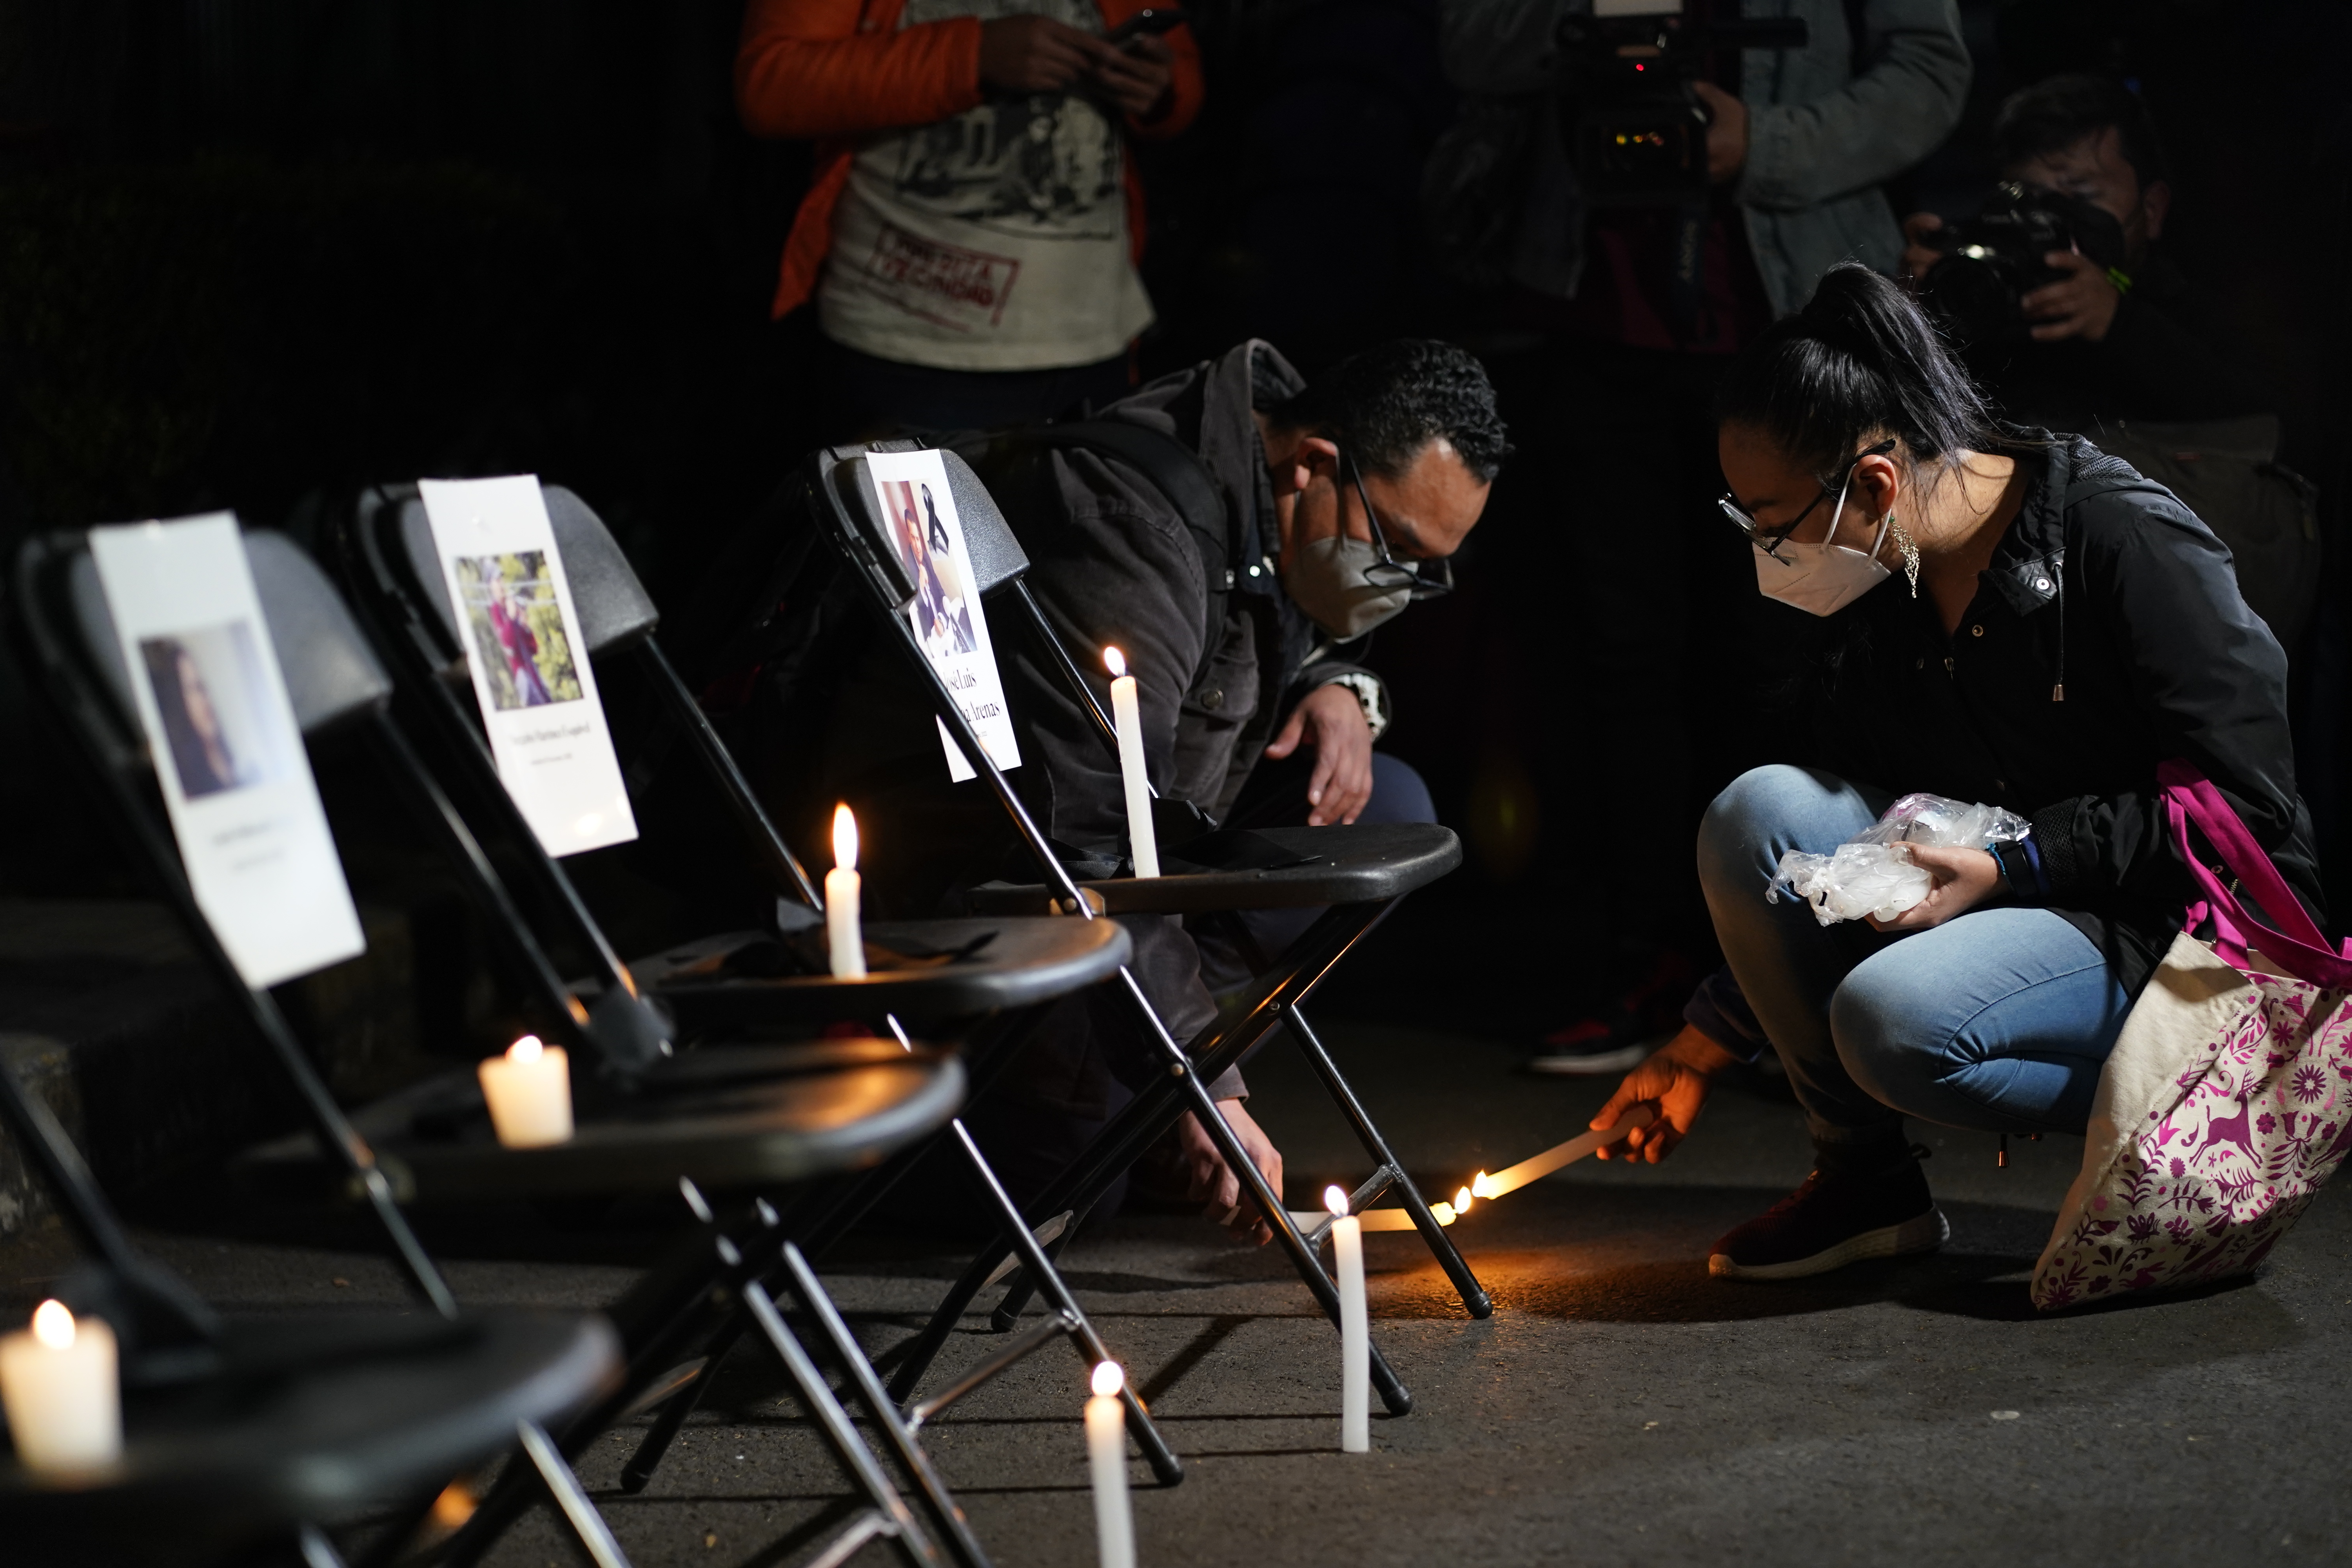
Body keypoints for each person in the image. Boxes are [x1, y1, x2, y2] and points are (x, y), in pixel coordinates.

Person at [1583, 262, 2325, 1281]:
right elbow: (1854, 849)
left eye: (1773, 522)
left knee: (1890, 1018)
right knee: (1759, 811)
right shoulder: (1893, 578)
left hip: (2177, 923)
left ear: (1874, 484)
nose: (1762, 553)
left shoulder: (2122, 533)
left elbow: (2249, 806)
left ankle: (2218, 1112)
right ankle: (1865, 1185)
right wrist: (1702, 1041)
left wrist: (2020, 862)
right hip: (2020, 890)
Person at [726, 336, 1507, 1239]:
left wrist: (1336, 684)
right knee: (1070, 1188)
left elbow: (1253, 636)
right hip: (985, 875)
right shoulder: (1134, 530)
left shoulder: (1273, 483)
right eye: (1397, 546)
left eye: (1427, 565)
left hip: (1150, 842)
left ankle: (1125, 1094)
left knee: (1385, 807)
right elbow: (1092, 829)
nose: (1402, 585)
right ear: (1316, 464)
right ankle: (780, 1161)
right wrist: (1201, 1074)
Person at [1433, 0, 1974, 1074]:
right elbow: (1469, 42)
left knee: (1791, 655)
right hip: (1595, 322)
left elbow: (1930, 65)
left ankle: (1789, 985)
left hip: (1790, 318)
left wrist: (1766, 143)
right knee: (1618, 665)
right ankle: (1650, 970)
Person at [735, 0, 1203, 436]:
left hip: (1096, 337)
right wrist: (973, 55)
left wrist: (1158, 90)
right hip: (908, 343)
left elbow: (1181, 77)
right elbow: (771, 82)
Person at [1900, 73, 2268, 433]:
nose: (2053, 218)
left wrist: (2119, 323)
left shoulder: (2203, 312)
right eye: (2028, 198)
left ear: (2152, 210)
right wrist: (1913, 317)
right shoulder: (1985, 293)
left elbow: (2266, 425)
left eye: (2083, 196)